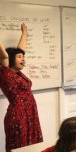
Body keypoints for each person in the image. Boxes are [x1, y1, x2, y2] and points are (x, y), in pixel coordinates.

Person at [0, 23, 43, 151]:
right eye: (19, 57)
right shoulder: (5, 72)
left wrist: (24, 33)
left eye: (23, 57)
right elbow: (5, 55)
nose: (23, 59)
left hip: (30, 114)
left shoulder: (17, 73)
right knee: (20, 147)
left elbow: (20, 50)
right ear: (11, 59)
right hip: (18, 116)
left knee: (31, 146)